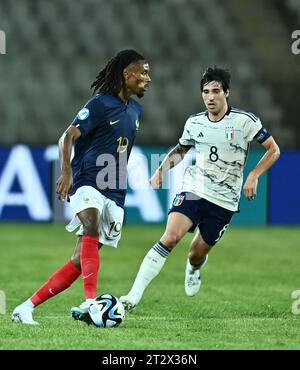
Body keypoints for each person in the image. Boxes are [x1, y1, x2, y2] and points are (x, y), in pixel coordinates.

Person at [120, 66, 280, 312]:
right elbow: (181, 150)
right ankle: (132, 296)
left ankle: (193, 269)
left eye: (216, 91)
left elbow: (273, 149)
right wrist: (161, 170)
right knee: (171, 237)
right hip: (195, 188)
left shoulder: (244, 121)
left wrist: (254, 175)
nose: (210, 97)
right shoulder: (194, 123)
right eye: (206, 92)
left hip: (225, 199)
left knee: (196, 254)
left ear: (226, 93)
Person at [11, 49, 151, 325]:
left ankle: (25, 307)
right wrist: (66, 172)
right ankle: (90, 303)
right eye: (143, 72)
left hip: (114, 188)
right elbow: (67, 137)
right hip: (87, 178)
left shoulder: (135, 110)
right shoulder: (99, 104)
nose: (148, 77)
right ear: (127, 74)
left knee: (78, 261)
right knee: (91, 223)